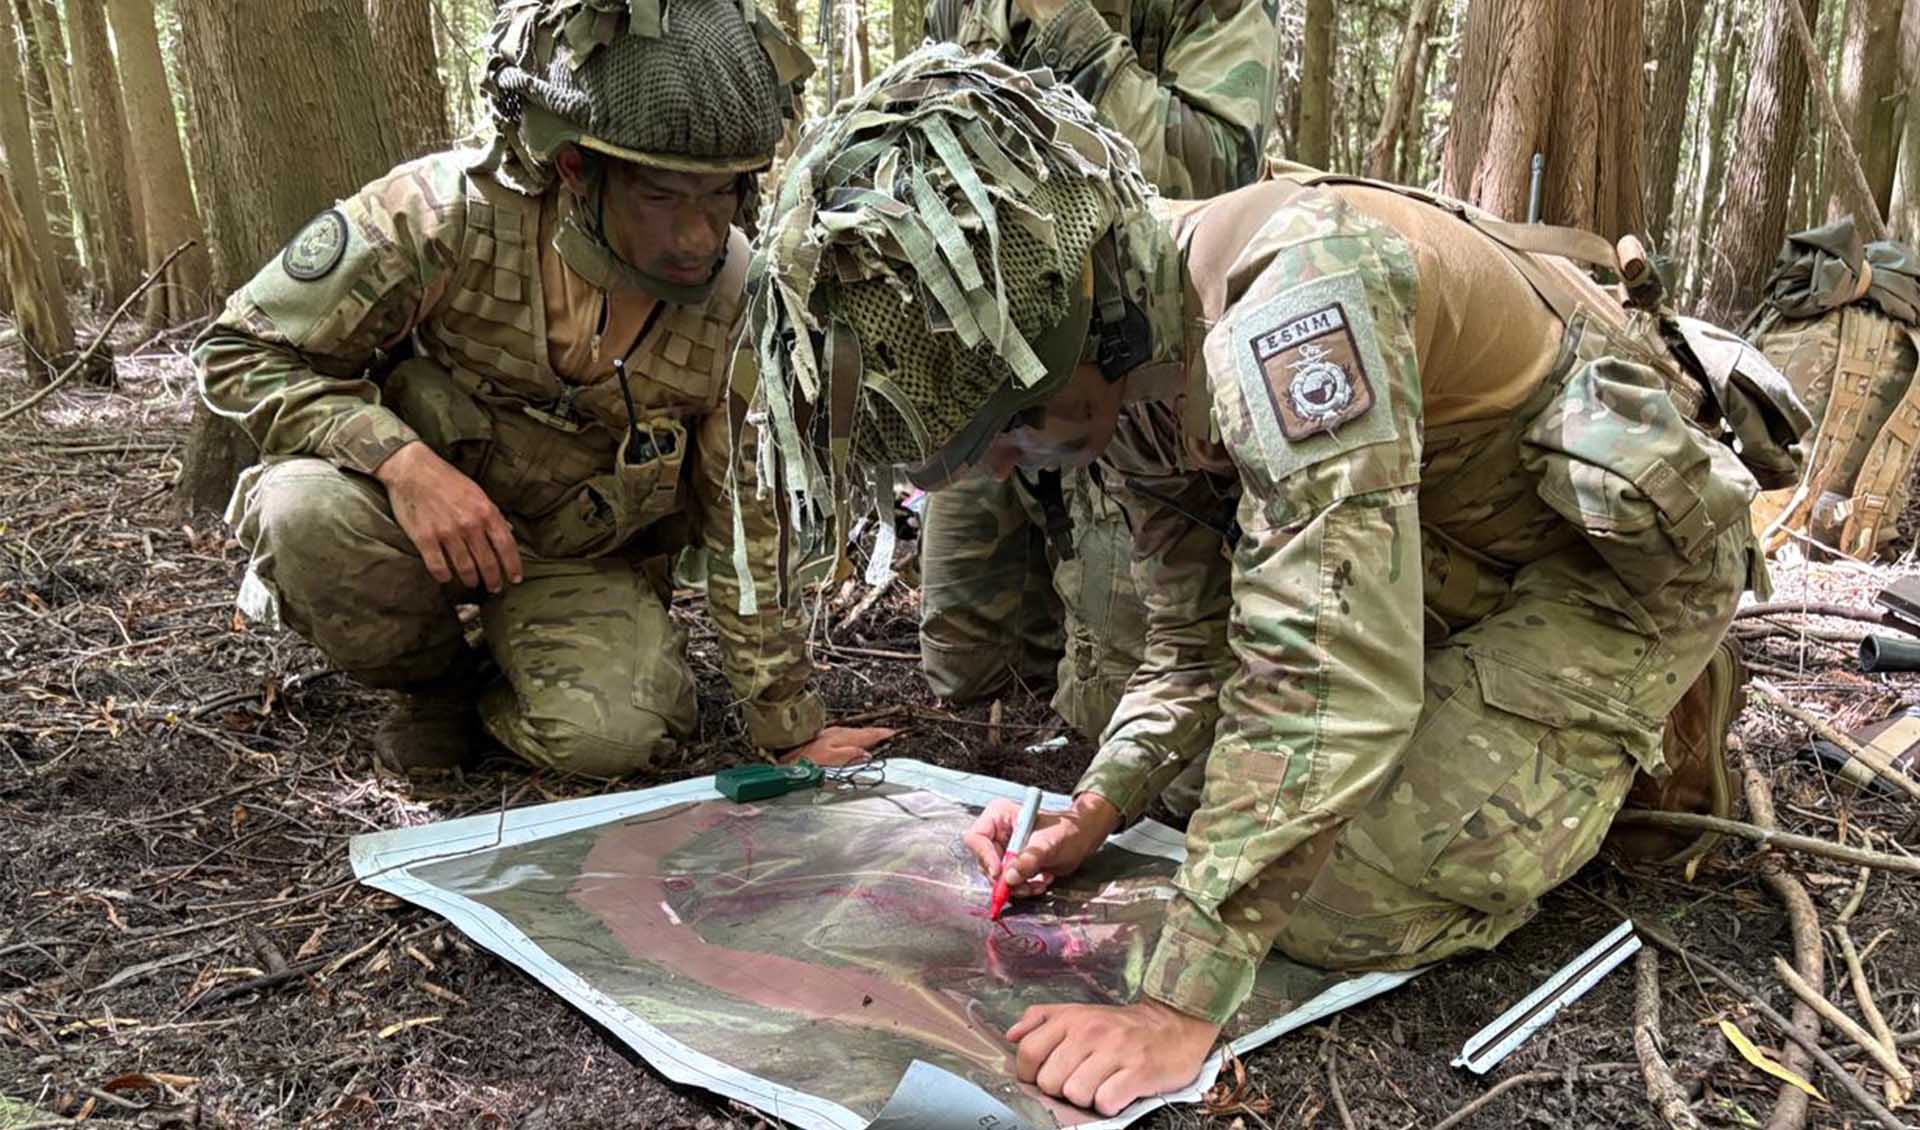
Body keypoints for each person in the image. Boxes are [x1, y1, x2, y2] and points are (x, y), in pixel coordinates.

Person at [739, 47, 1805, 1115]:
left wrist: (1178, 1005)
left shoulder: (1297, 295)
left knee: (1326, 896)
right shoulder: (1121, 362)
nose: (1011, 468)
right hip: (1435, 551)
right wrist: (1099, 805)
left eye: (1010, 431)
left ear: (1065, 322)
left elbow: (1331, 671)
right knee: (1226, 808)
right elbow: (1195, 645)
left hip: (1606, 567)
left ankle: (1659, 712)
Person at [194, 0, 891, 778]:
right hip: (406, 516)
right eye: (661, 198)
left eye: (720, 196)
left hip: (573, 558)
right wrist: (401, 464)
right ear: (575, 170)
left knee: (615, 740)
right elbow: (239, 352)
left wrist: (785, 724)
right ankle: (435, 688)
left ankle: (509, 677)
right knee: (304, 514)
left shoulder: (739, 308)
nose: (698, 235)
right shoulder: (444, 218)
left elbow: (747, 525)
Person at [915, 0, 1279, 740]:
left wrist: (1066, 27)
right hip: (993, 355)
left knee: (1112, 706)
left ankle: (1086, 593)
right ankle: (1067, 585)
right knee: (962, 669)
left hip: (1128, 339)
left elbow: (1207, 170)